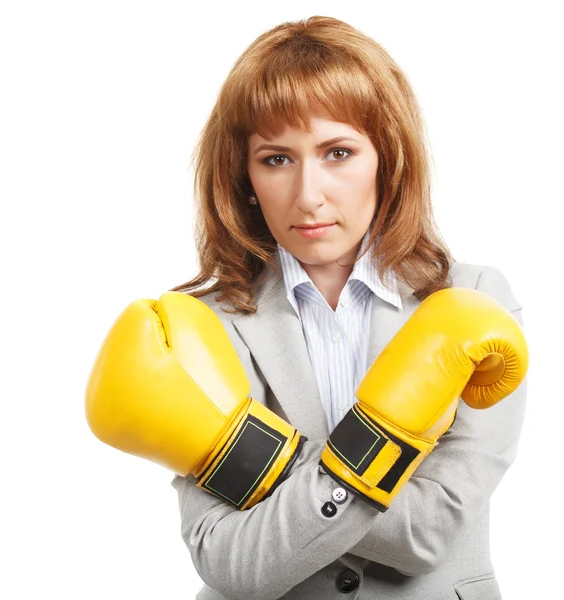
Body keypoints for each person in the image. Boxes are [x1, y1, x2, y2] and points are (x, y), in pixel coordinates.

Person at [163, 15, 527, 600]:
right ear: (243, 176)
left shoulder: (473, 303)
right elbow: (230, 563)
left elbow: (426, 535)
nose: (308, 195)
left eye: (338, 151)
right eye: (276, 159)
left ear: (389, 157)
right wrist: (367, 453)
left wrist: (269, 467)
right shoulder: (202, 324)